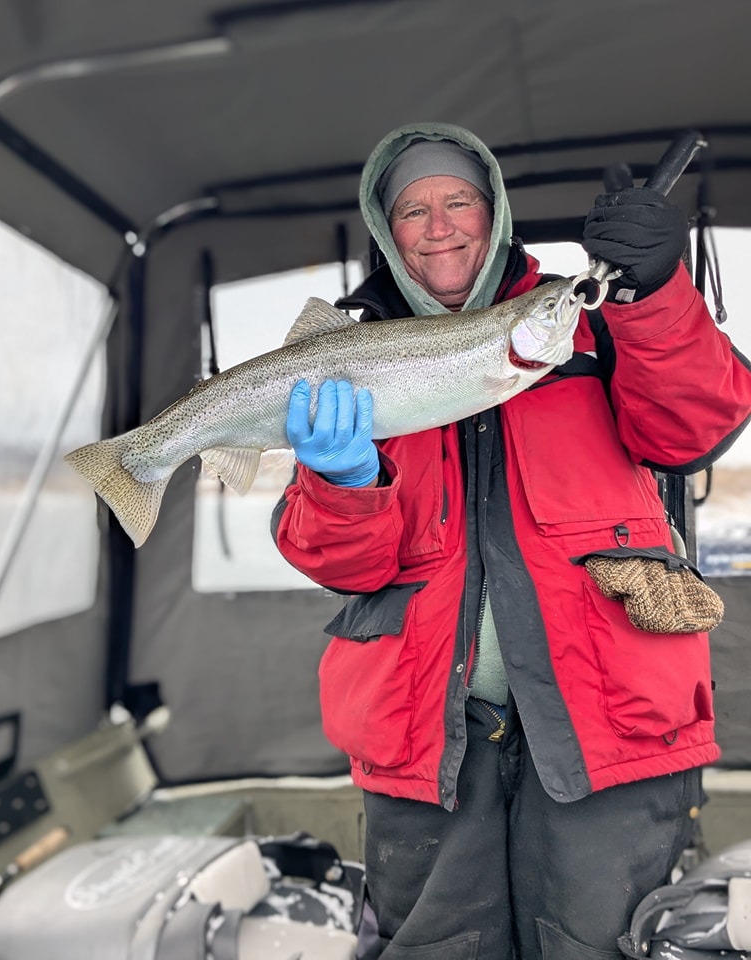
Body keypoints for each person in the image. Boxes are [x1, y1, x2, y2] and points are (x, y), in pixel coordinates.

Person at [271, 122, 751, 959]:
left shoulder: (590, 317)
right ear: (387, 231)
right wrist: (343, 483)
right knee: (438, 947)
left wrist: (656, 290)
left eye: (459, 199)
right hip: (425, 733)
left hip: (608, 721)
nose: (439, 223)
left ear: (494, 212)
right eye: (412, 208)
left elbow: (693, 425)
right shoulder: (349, 359)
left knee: (602, 942)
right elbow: (339, 563)